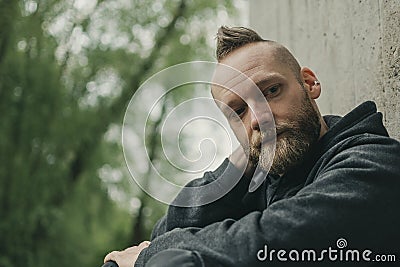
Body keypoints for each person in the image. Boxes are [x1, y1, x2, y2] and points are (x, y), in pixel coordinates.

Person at [104, 26, 400, 266]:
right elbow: (165, 231)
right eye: (238, 112)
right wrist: (237, 168)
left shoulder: (373, 162)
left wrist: (147, 258)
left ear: (309, 84)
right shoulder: (265, 185)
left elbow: (274, 242)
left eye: (271, 91)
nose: (259, 118)